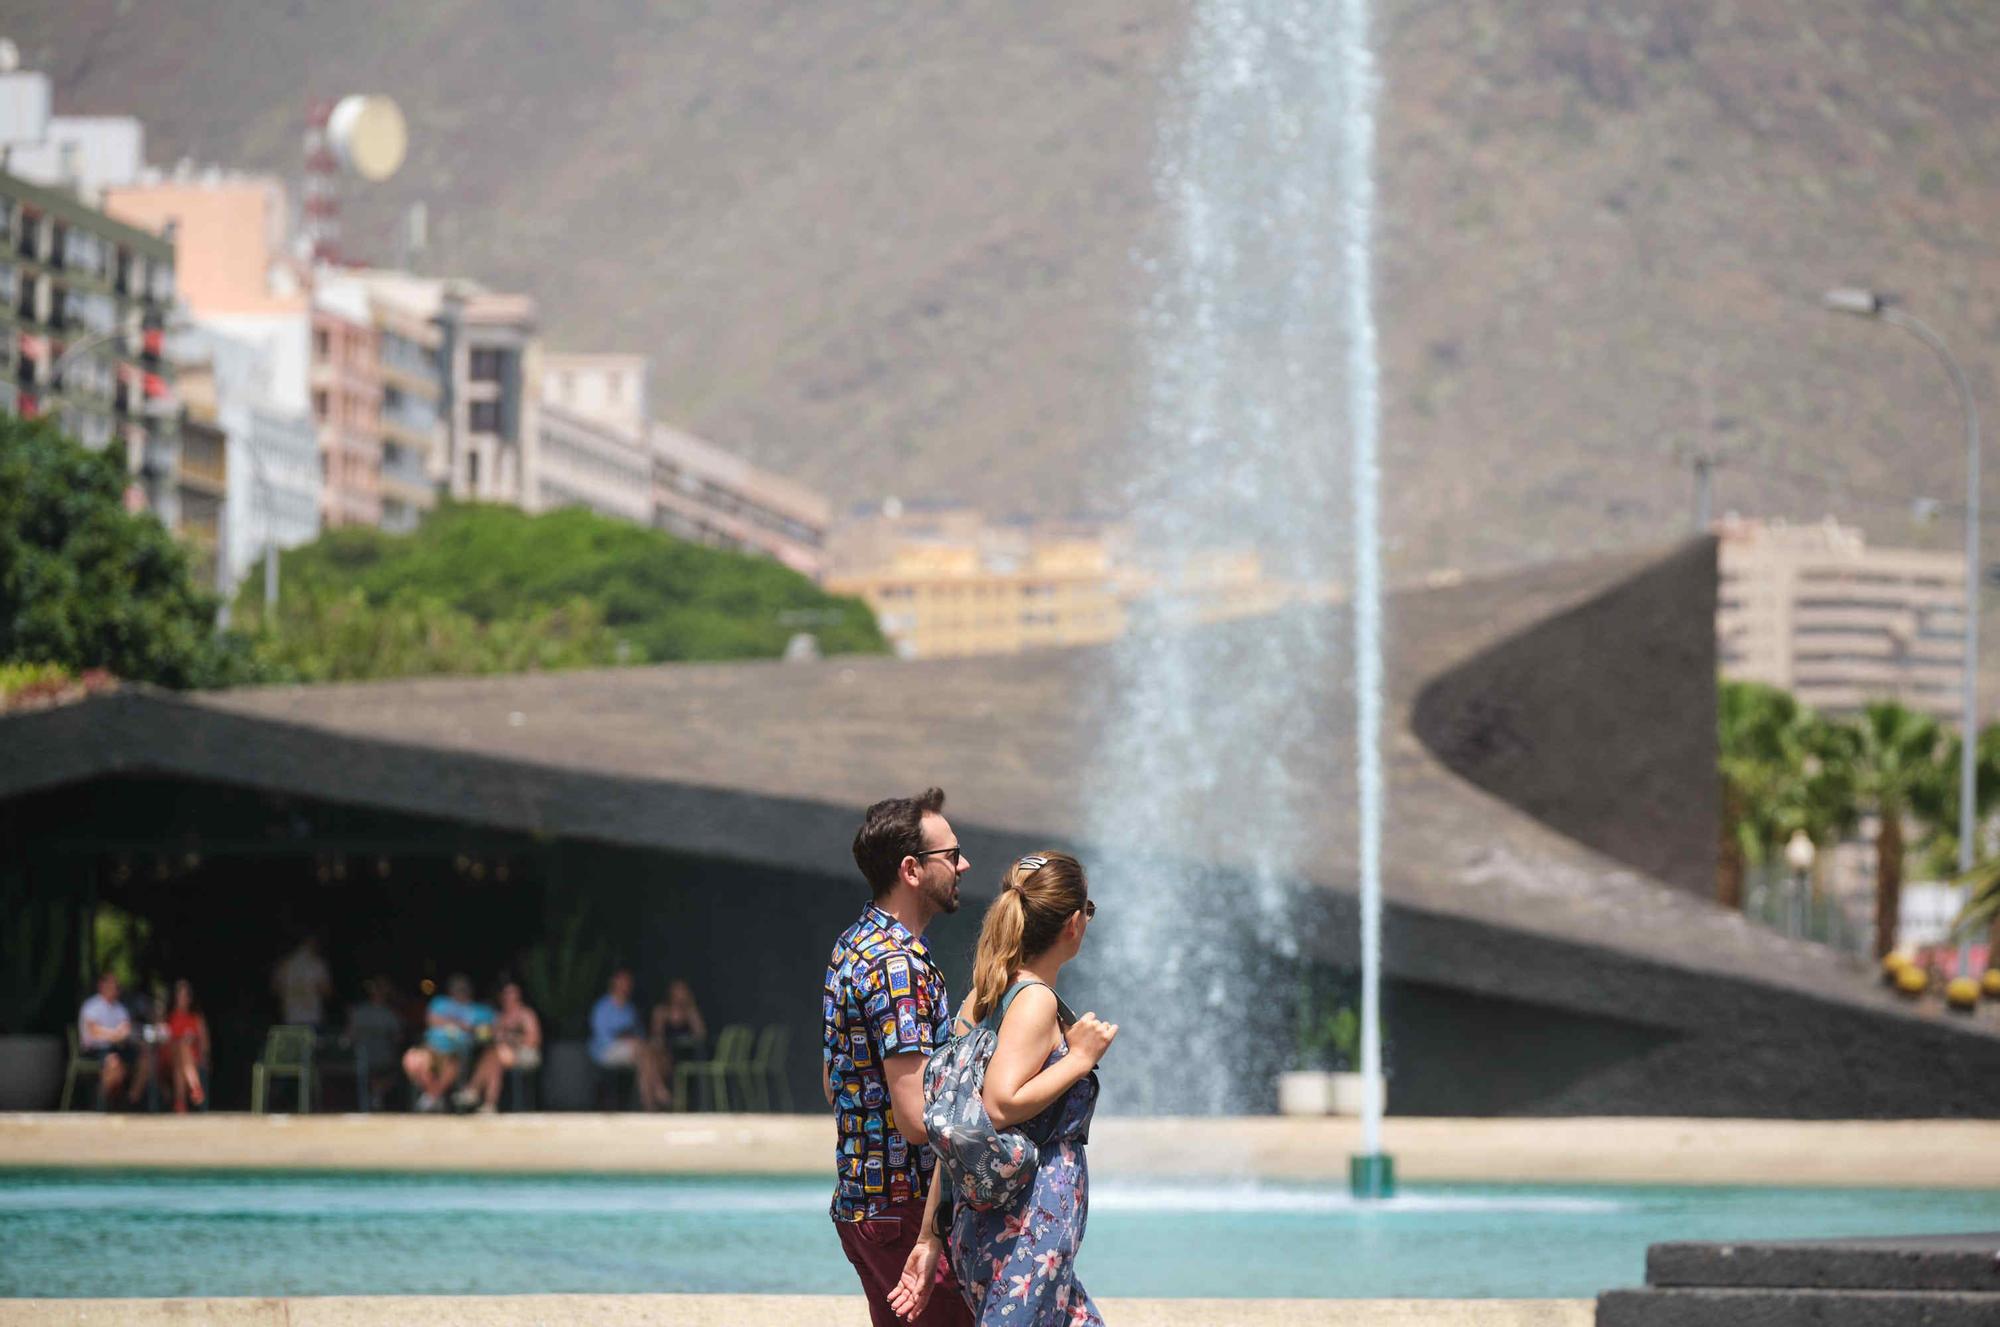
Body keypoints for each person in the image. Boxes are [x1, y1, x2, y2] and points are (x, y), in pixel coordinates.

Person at [925, 852, 1113, 1327]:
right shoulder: (1034, 1000)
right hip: (1028, 1217)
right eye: (1087, 911)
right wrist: (1079, 1059)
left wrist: (932, 1230)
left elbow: (955, 1121)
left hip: (986, 1213)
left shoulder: (984, 995)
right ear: (1073, 924)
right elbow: (999, 1103)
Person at [822, 787, 973, 1327]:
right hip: (905, 1210)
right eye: (951, 855)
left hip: (863, 1204)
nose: (963, 865)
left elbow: (833, 1081)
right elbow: (914, 1120)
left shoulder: (853, 944)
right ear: (911, 869)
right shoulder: (898, 967)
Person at [590, 969, 669, 1110]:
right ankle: (658, 1090)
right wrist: (627, 1040)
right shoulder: (602, 1007)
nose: (626, 986)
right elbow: (602, 1037)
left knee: (649, 1057)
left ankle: (649, 1103)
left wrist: (635, 1041)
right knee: (644, 1054)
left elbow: (639, 1034)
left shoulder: (629, 1009)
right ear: (614, 983)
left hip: (634, 1051)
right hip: (606, 1051)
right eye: (623, 982)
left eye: (628, 983)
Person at [463, 980, 542, 1113]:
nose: (508, 996)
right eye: (506, 993)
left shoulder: (526, 1014)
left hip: (525, 1054)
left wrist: (511, 1039)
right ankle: (489, 1104)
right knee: (494, 1063)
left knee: (493, 1055)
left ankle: (473, 1090)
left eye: (511, 993)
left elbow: (534, 1039)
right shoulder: (500, 1016)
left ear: (518, 995)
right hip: (502, 1055)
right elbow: (494, 1036)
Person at [403, 973, 477, 1112]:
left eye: (463, 989)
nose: (460, 992)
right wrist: (458, 1023)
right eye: (457, 988)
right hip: (431, 1048)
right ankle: (435, 1096)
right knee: (412, 1059)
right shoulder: (440, 1002)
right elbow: (432, 1020)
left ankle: (431, 1097)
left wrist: (447, 1022)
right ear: (451, 990)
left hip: (456, 1052)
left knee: (453, 1063)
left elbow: (475, 1029)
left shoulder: (473, 1008)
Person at [78, 971, 150, 1108]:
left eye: (116, 986)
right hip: (95, 1050)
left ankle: (131, 1100)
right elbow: (94, 1031)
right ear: (101, 985)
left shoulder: (120, 1009)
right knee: (114, 1064)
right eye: (111, 985)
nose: (115, 988)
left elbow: (126, 1029)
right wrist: (115, 1035)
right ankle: (101, 1105)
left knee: (145, 1058)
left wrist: (121, 1035)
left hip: (118, 1048)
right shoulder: (91, 1006)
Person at [345, 977, 406, 1110]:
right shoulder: (387, 1013)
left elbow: (349, 1037)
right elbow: (398, 1038)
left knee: (395, 1070)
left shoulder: (386, 1013)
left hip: (372, 1059)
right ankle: (376, 1093)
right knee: (395, 1069)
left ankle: (376, 1093)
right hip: (369, 1059)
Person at [160, 979, 210, 1113]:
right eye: (180, 996)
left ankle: (180, 1104)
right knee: (181, 1046)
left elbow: (204, 1043)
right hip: (168, 1058)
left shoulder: (196, 1018)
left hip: (191, 1060)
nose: (183, 999)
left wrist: (204, 1057)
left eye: (185, 996)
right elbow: (162, 1039)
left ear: (190, 998)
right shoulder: (168, 1018)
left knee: (180, 1063)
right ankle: (195, 1087)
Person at [649, 977, 707, 1077]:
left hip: (686, 1053)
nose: (680, 995)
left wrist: (692, 1011)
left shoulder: (690, 1012)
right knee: (656, 1055)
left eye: (683, 991)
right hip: (666, 1051)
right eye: (677, 991)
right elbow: (656, 1035)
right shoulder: (661, 1011)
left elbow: (701, 1034)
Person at [272, 935, 332, 1029]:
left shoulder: (285, 964)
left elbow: (275, 988)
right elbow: (326, 991)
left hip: (290, 1016)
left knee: (293, 1038)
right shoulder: (317, 964)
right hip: (312, 1016)